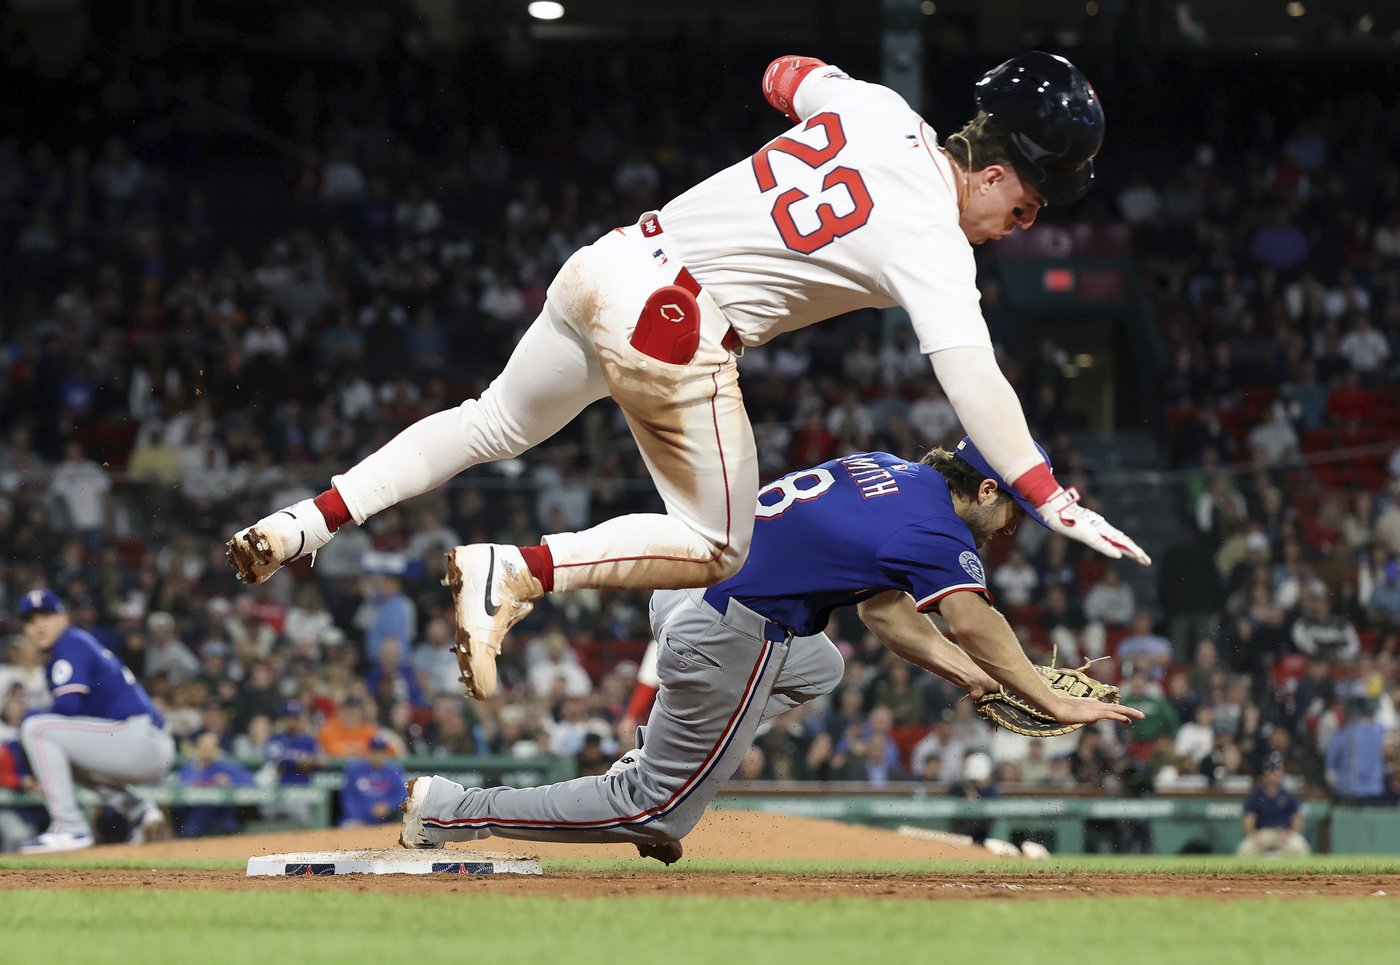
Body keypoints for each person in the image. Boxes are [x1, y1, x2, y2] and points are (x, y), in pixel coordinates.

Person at [227, 52, 1150, 702]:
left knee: (489, 422)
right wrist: (1043, 493)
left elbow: (785, 73)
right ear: (993, 173)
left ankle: (305, 521)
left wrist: (809, 122)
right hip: (675, 323)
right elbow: (973, 380)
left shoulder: (877, 108)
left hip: (612, 260)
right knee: (718, 545)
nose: (1023, 223)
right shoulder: (934, 239)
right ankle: (516, 570)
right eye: (1026, 205)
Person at [399, 438, 1142, 860]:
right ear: (984, 489)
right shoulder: (936, 531)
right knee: (656, 813)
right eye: (1015, 507)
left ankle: (664, 758)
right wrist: (1049, 698)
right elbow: (974, 621)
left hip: (686, 586)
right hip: (728, 628)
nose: (1013, 526)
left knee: (823, 663)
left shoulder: (888, 469)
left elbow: (883, 611)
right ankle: (453, 810)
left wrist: (972, 677)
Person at [15, 589, 175, 853]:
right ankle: (141, 812)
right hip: (143, 742)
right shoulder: (72, 645)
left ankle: (69, 828)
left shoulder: (69, 643)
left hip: (139, 738)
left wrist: (27, 718)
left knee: (36, 729)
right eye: (31, 620)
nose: (39, 625)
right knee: (65, 753)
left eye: (46, 615)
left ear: (63, 618)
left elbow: (68, 705)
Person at [176, 730, 255, 838]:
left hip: (221, 823)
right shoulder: (188, 769)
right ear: (197, 747)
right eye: (205, 746)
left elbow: (250, 780)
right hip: (194, 824)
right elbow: (178, 801)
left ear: (217, 749)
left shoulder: (224, 767)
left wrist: (229, 782)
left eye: (211, 747)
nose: (208, 750)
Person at [1236, 758, 1310, 856]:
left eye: (1276, 772)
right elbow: (1248, 821)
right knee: (1244, 850)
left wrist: (1290, 833)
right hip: (1262, 833)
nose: (1273, 776)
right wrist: (1255, 836)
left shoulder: (1288, 795)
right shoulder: (1256, 795)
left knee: (1300, 847)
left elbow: (1297, 820)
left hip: (1284, 833)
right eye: (1270, 772)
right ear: (1264, 774)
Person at [339, 735, 408, 827]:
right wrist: (355, 818)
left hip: (385, 821)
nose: (378, 756)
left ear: (386, 754)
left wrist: (388, 805)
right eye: (374, 753)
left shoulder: (394, 770)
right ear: (368, 753)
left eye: (381, 753)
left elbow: (402, 794)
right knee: (346, 826)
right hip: (357, 821)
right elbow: (349, 798)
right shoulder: (354, 770)